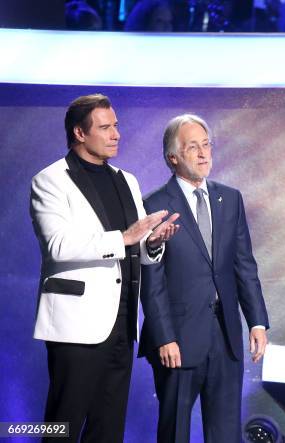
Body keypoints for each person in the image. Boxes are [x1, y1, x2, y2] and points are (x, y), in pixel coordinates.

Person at [30, 94, 179, 442]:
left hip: (123, 323)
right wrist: (125, 238)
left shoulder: (126, 179)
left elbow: (136, 246)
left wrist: (152, 243)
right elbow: (58, 246)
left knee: (108, 428)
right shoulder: (50, 181)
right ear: (79, 133)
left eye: (116, 126)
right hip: (76, 326)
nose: (116, 134)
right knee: (62, 427)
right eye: (105, 127)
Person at [138, 114, 269, 443]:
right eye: (193, 147)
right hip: (177, 340)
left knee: (226, 433)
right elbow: (151, 279)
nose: (203, 153)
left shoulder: (230, 199)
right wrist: (164, 336)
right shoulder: (153, 206)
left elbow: (244, 265)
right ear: (173, 158)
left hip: (225, 337)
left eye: (206, 144)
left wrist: (256, 322)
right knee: (175, 431)